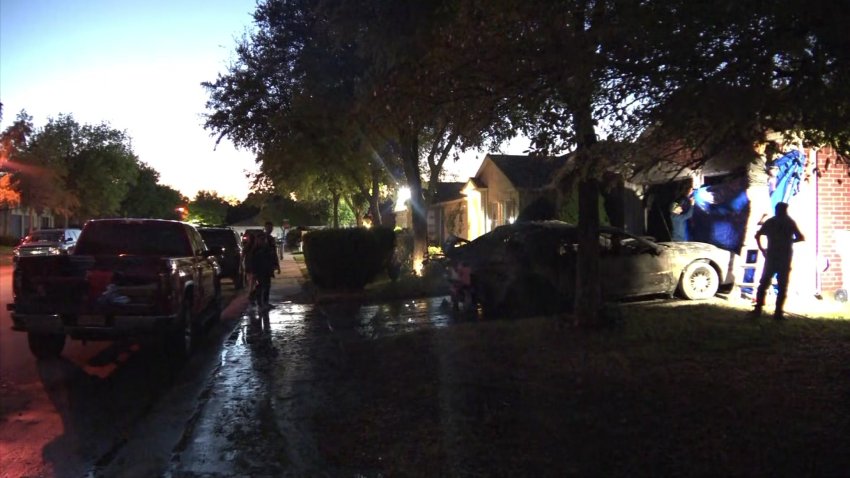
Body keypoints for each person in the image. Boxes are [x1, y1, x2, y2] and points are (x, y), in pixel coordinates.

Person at [752, 202, 805, 320]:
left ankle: (758, 309)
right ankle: (778, 312)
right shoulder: (789, 222)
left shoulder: (771, 222)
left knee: (764, 283)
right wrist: (789, 241)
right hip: (784, 257)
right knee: (782, 285)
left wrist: (762, 250)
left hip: (772, 256)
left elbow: (757, 235)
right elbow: (801, 237)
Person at [251, 232, 278, 309]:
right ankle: (259, 302)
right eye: (261, 239)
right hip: (260, 271)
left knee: (266, 286)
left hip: (267, 270)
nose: (263, 241)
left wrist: (274, 265)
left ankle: (265, 302)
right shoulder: (256, 250)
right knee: (262, 287)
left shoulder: (267, 248)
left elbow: (272, 257)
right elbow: (253, 262)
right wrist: (254, 272)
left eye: (264, 239)